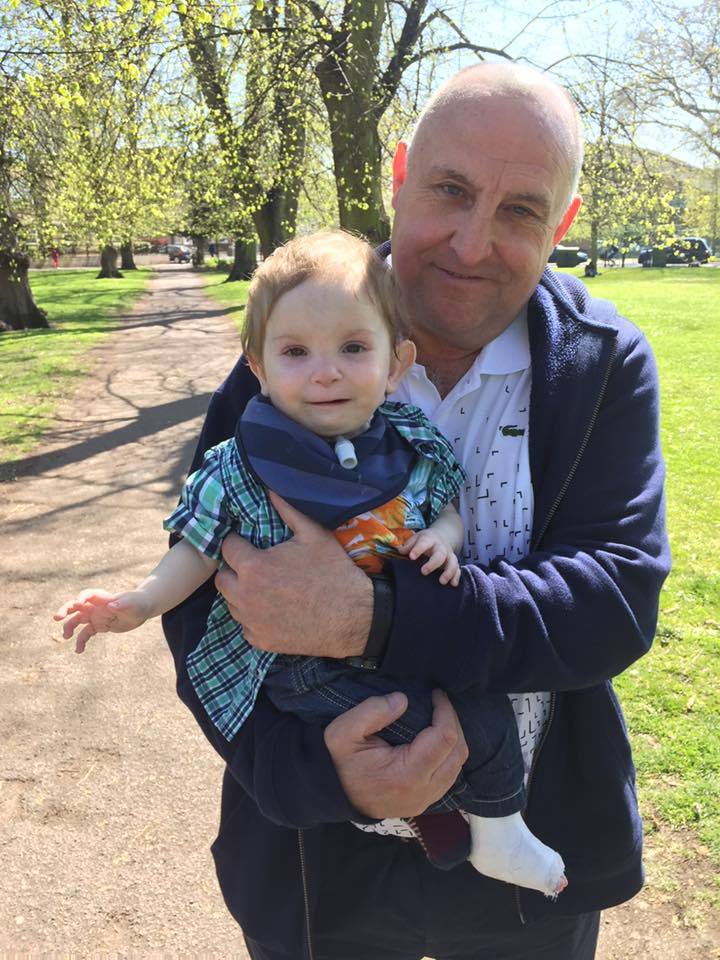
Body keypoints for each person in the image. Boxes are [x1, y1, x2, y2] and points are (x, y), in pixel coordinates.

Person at [162, 63, 670, 960]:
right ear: (399, 173)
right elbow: (200, 613)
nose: (472, 244)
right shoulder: (294, 353)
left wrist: (380, 616)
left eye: (520, 211)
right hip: (317, 869)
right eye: (450, 190)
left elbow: (615, 601)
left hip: (529, 870)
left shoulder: (601, 368)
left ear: (563, 224)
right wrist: (313, 776)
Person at [54, 229, 567, 898]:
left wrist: (444, 535)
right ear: (258, 368)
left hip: (408, 641)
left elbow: (446, 502)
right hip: (299, 670)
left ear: (394, 364)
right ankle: (497, 832)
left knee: (459, 708)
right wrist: (136, 604)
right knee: (466, 722)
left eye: (353, 348)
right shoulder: (240, 465)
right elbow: (198, 551)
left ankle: (443, 824)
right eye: (296, 352)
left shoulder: (409, 445)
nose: (325, 371)